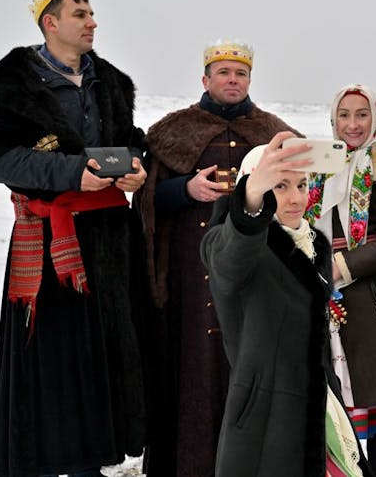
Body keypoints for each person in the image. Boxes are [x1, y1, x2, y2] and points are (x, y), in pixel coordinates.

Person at [0, 0, 147, 476]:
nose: (92, 22)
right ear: (51, 22)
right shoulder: (10, 86)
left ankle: (89, 467)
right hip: (45, 245)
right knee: (50, 370)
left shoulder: (110, 82)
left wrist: (135, 166)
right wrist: (67, 173)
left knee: (97, 366)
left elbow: (130, 139)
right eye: (81, 14)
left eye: (91, 14)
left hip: (108, 245)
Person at [135, 39, 298, 475]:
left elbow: (300, 199)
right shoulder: (174, 132)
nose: (232, 80)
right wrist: (184, 189)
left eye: (240, 74)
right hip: (192, 279)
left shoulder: (272, 133)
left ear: (249, 80)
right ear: (205, 80)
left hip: (256, 279)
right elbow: (147, 201)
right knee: (196, 374)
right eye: (223, 73)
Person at [200, 133, 371, 477]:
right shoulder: (233, 240)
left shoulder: (313, 245)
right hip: (266, 418)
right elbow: (228, 261)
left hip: (318, 405)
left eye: (302, 185)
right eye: (280, 186)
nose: (295, 198)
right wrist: (249, 201)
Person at [306, 84, 376, 477]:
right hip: (319, 286)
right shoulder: (322, 161)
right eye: (344, 115)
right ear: (332, 119)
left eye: (361, 114)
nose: (353, 124)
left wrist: (342, 266)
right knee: (333, 395)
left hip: (373, 291)